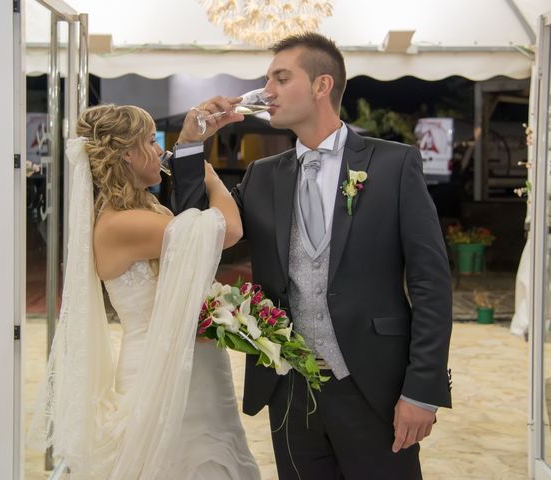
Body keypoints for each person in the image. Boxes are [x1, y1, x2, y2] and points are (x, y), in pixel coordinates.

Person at [170, 32, 452, 479]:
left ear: (322, 86)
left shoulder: (395, 164)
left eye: (281, 78)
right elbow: (197, 231)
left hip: (375, 387)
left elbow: (431, 282)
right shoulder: (263, 177)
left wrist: (422, 390)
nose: (267, 92)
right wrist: (189, 144)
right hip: (289, 388)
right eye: (267, 80)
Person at [28, 104, 261, 479]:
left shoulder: (142, 210)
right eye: (151, 141)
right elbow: (227, 230)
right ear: (128, 154)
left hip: (189, 366)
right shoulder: (118, 225)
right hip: (159, 371)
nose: (158, 150)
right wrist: (209, 176)